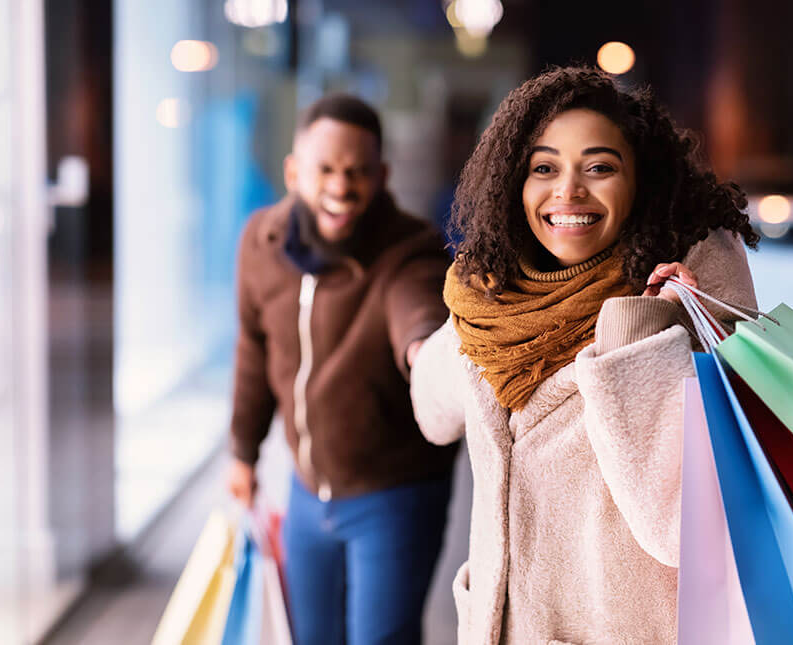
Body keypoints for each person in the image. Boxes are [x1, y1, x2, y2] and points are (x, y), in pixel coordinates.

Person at [409, 66, 760, 643]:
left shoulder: (689, 288)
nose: (568, 192)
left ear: (639, 180)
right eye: (543, 168)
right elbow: (434, 410)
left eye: (599, 167)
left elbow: (681, 525)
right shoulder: (493, 299)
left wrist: (639, 330)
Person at [227, 94, 458, 645]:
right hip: (306, 492)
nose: (340, 186)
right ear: (293, 171)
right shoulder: (261, 243)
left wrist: (424, 354)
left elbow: (417, 311)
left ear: (381, 175)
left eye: (357, 172)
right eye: (325, 169)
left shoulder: (411, 248)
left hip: (394, 494)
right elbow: (254, 352)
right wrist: (242, 450)